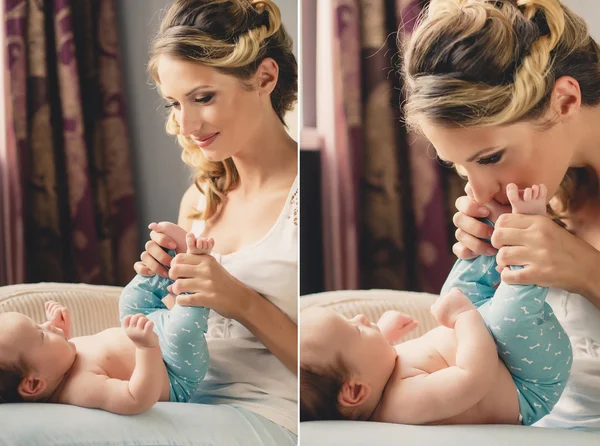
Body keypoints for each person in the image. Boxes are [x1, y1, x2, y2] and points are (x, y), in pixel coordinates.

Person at [401, 0, 600, 428]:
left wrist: (585, 271)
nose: (476, 190)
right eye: (459, 165)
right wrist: (485, 274)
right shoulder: (548, 186)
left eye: (490, 157)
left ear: (565, 101)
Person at [134, 0, 298, 443]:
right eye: (174, 103)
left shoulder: (309, 197)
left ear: (265, 77)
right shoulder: (201, 200)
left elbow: (334, 366)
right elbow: (181, 341)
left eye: (203, 98)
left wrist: (239, 300)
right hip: (182, 402)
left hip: (274, 414)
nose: (185, 124)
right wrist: (162, 284)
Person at [300, 183, 572, 425]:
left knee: (454, 291)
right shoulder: (405, 403)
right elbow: (475, 377)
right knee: (508, 320)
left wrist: (382, 334)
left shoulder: (374, 376)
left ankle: (493, 225)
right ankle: (528, 232)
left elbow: (364, 361)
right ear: (356, 392)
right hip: (528, 380)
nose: (359, 318)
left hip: (496, 346)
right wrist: (464, 317)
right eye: (355, 330)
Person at [0, 233, 212, 411]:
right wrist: (146, 348)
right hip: (175, 370)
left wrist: (61, 334)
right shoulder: (82, 388)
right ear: (34, 383)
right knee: (182, 331)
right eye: (41, 334)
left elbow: (55, 357)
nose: (46, 325)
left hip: (146, 329)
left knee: (129, 299)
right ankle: (195, 273)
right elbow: (137, 399)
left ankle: (167, 262)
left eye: (40, 324)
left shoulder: (57, 367)